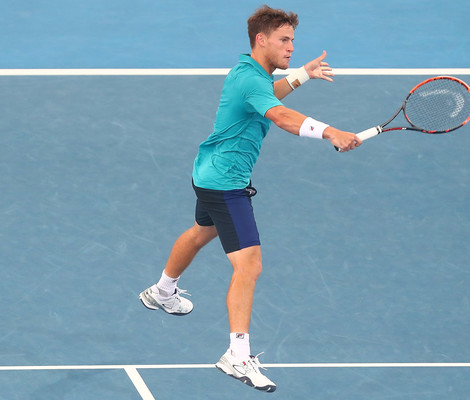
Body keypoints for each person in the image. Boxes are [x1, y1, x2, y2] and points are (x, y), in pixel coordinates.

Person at [139, 5, 361, 392]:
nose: (291, 47)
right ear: (262, 40)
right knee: (249, 266)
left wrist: (303, 75)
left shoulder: (250, 74)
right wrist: (331, 132)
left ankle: (161, 292)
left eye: (292, 40)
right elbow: (280, 116)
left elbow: (266, 95)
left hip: (207, 172)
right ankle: (237, 356)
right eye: (284, 40)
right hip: (226, 183)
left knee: (200, 232)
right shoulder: (249, 79)